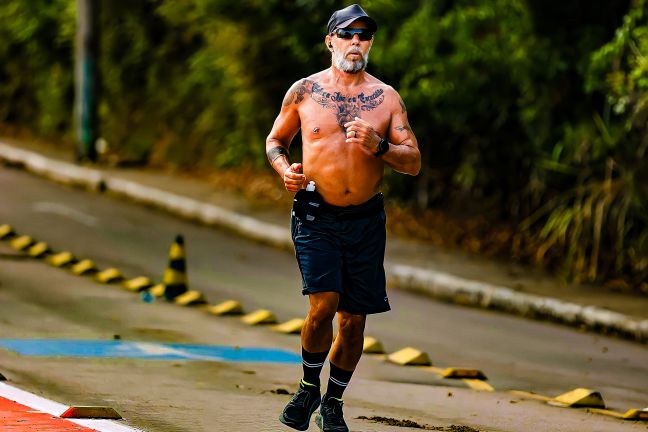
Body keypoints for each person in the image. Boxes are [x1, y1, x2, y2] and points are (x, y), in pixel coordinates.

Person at [266, 4, 420, 431]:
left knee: (353, 321)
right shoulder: (304, 92)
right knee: (324, 305)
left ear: (370, 44)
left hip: (365, 221)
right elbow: (276, 140)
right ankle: (306, 385)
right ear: (330, 40)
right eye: (347, 34)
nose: (356, 43)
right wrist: (285, 170)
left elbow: (413, 162)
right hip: (316, 213)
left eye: (364, 36)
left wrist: (380, 146)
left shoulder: (385, 98)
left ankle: (331, 402)